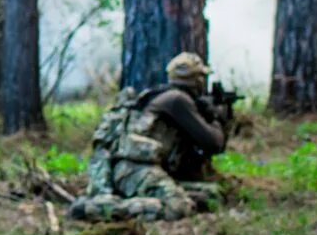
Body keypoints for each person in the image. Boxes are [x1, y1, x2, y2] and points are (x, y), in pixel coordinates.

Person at [71, 52, 230, 222]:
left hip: (136, 168)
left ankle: (139, 200)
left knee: (212, 194)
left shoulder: (161, 94)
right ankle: (95, 208)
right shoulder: (177, 99)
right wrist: (218, 118)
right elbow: (214, 143)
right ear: (197, 80)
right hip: (135, 169)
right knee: (178, 207)